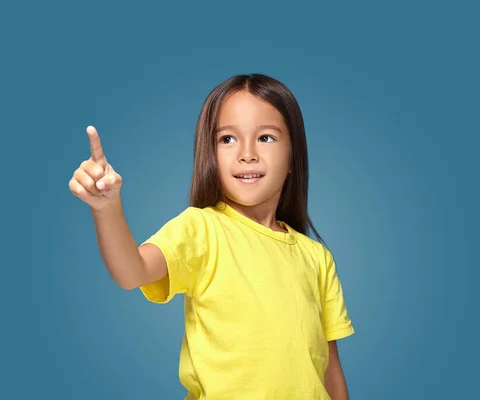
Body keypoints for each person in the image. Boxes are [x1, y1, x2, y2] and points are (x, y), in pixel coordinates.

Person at [69, 73, 355, 399]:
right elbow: (131, 271)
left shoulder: (317, 257)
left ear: (293, 157)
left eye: (266, 138)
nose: (247, 153)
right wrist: (107, 208)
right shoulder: (201, 229)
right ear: (211, 155)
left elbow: (329, 365)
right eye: (228, 139)